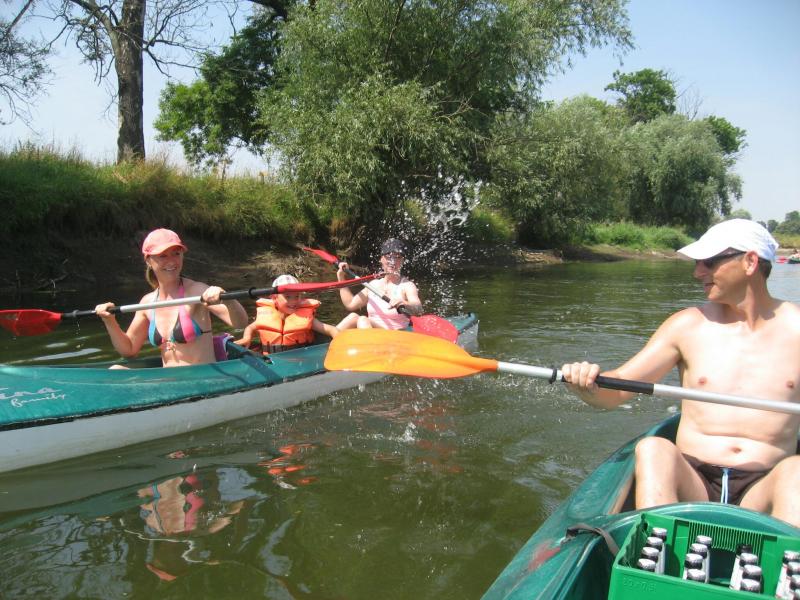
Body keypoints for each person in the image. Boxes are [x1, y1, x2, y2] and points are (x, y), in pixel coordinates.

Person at [561, 219, 800, 526]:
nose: (698, 272)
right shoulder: (687, 325)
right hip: (694, 483)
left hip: (764, 490)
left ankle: (786, 552)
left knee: (796, 471)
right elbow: (617, 391)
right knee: (653, 448)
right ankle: (655, 548)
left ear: (750, 262)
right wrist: (585, 384)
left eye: (709, 262)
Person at [95, 228, 249, 367]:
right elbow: (129, 350)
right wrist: (109, 320)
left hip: (202, 379)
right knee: (116, 369)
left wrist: (228, 299)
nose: (171, 261)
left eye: (176, 253)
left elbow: (240, 323)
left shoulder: (197, 291)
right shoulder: (147, 302)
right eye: (162, 256)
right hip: (170, 381)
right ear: (148, 260)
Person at [234, 274, 339, 353]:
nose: (293, 301)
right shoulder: (265, 316)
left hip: (301, 359)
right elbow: (250, 328)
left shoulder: (306, 318)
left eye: (297, 296)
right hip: (272, 361)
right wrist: (247, 338)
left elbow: (332, 330)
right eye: (287, 297)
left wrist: (339, 346)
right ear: (274, 297)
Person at [336, 238, 423, 330]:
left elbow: (418, 309)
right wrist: (341, 277)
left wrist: (404, 303)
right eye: (388, 256)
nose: (392, 261)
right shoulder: (373, 285)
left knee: (363, 319)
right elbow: (350, 304)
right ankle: (332, 333)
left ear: (402, 261)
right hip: (371, 330)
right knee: (353, 317)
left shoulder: (407, 285)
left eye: (397, 257)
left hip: (395, 334)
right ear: (381, 259)